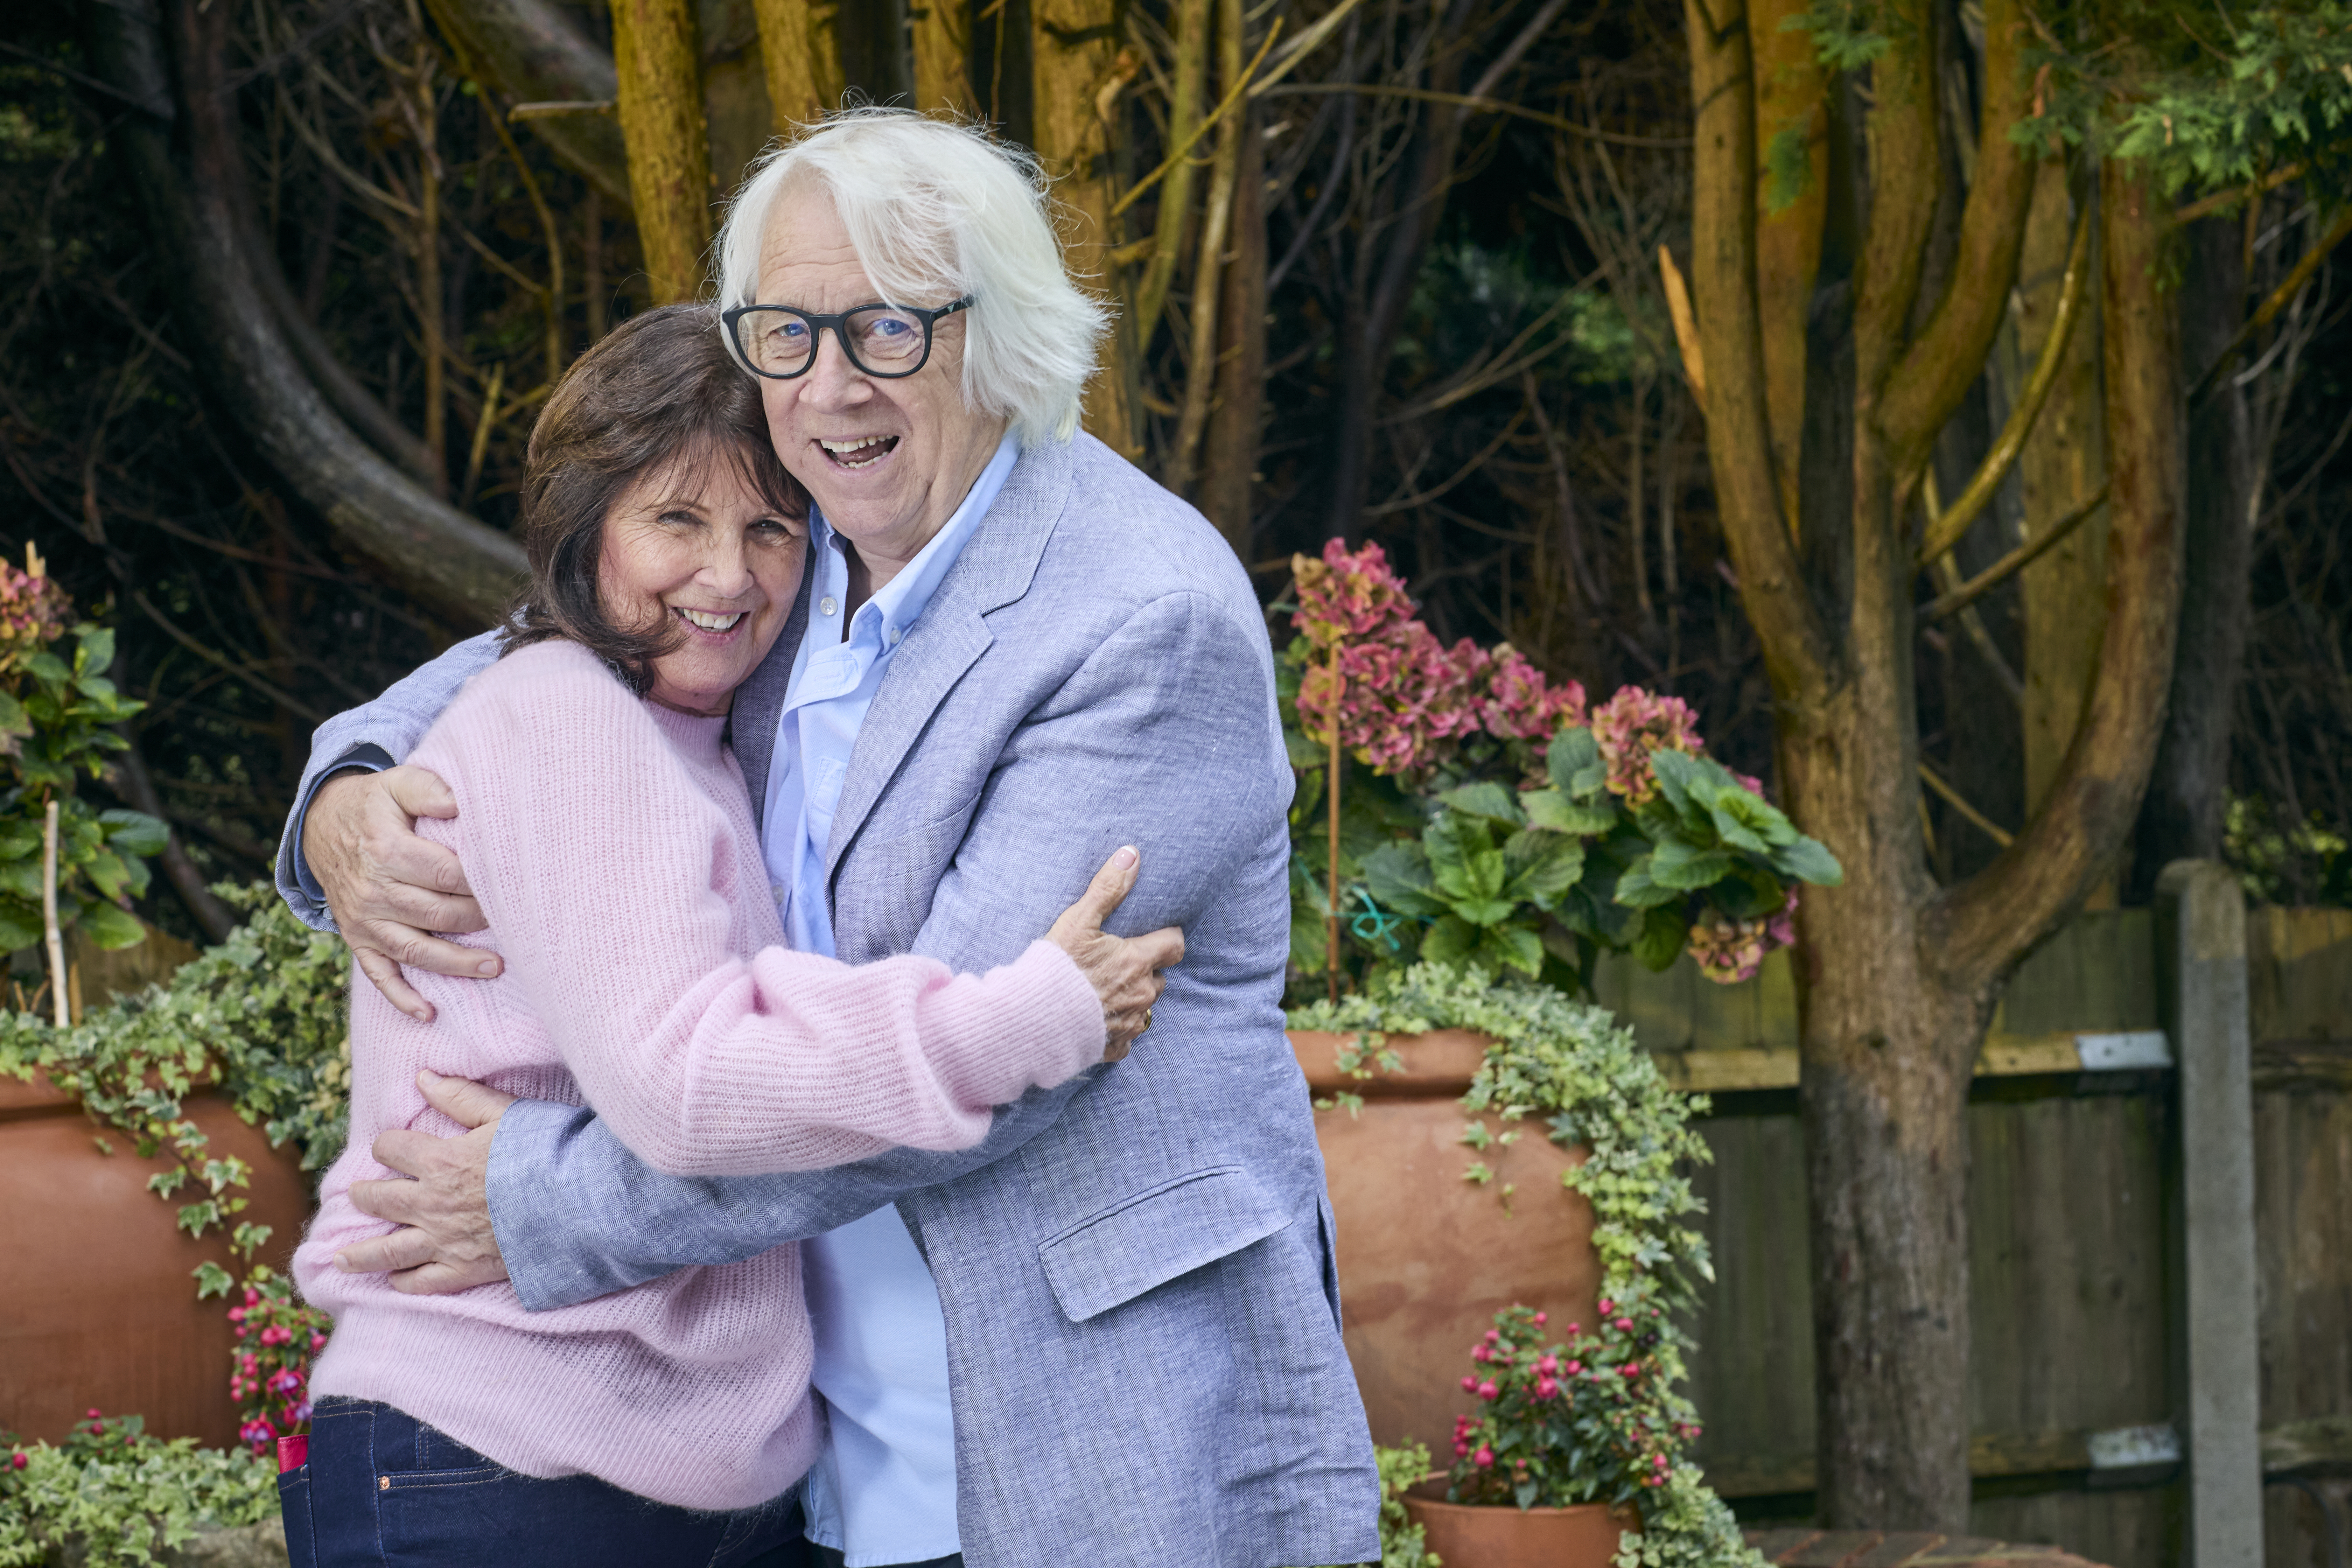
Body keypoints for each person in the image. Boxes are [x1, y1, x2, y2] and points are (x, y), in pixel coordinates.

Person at [282, 109, 1381, 1568]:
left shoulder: (1135, 615)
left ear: (996, 330)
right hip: (823, 1467)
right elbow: (552, 633)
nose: (830, 383)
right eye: (786, 334)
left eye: (887, 328)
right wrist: (348, 788)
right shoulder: (802, 555)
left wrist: (542, 1203)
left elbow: (977, 1056)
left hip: (1086, 1444)